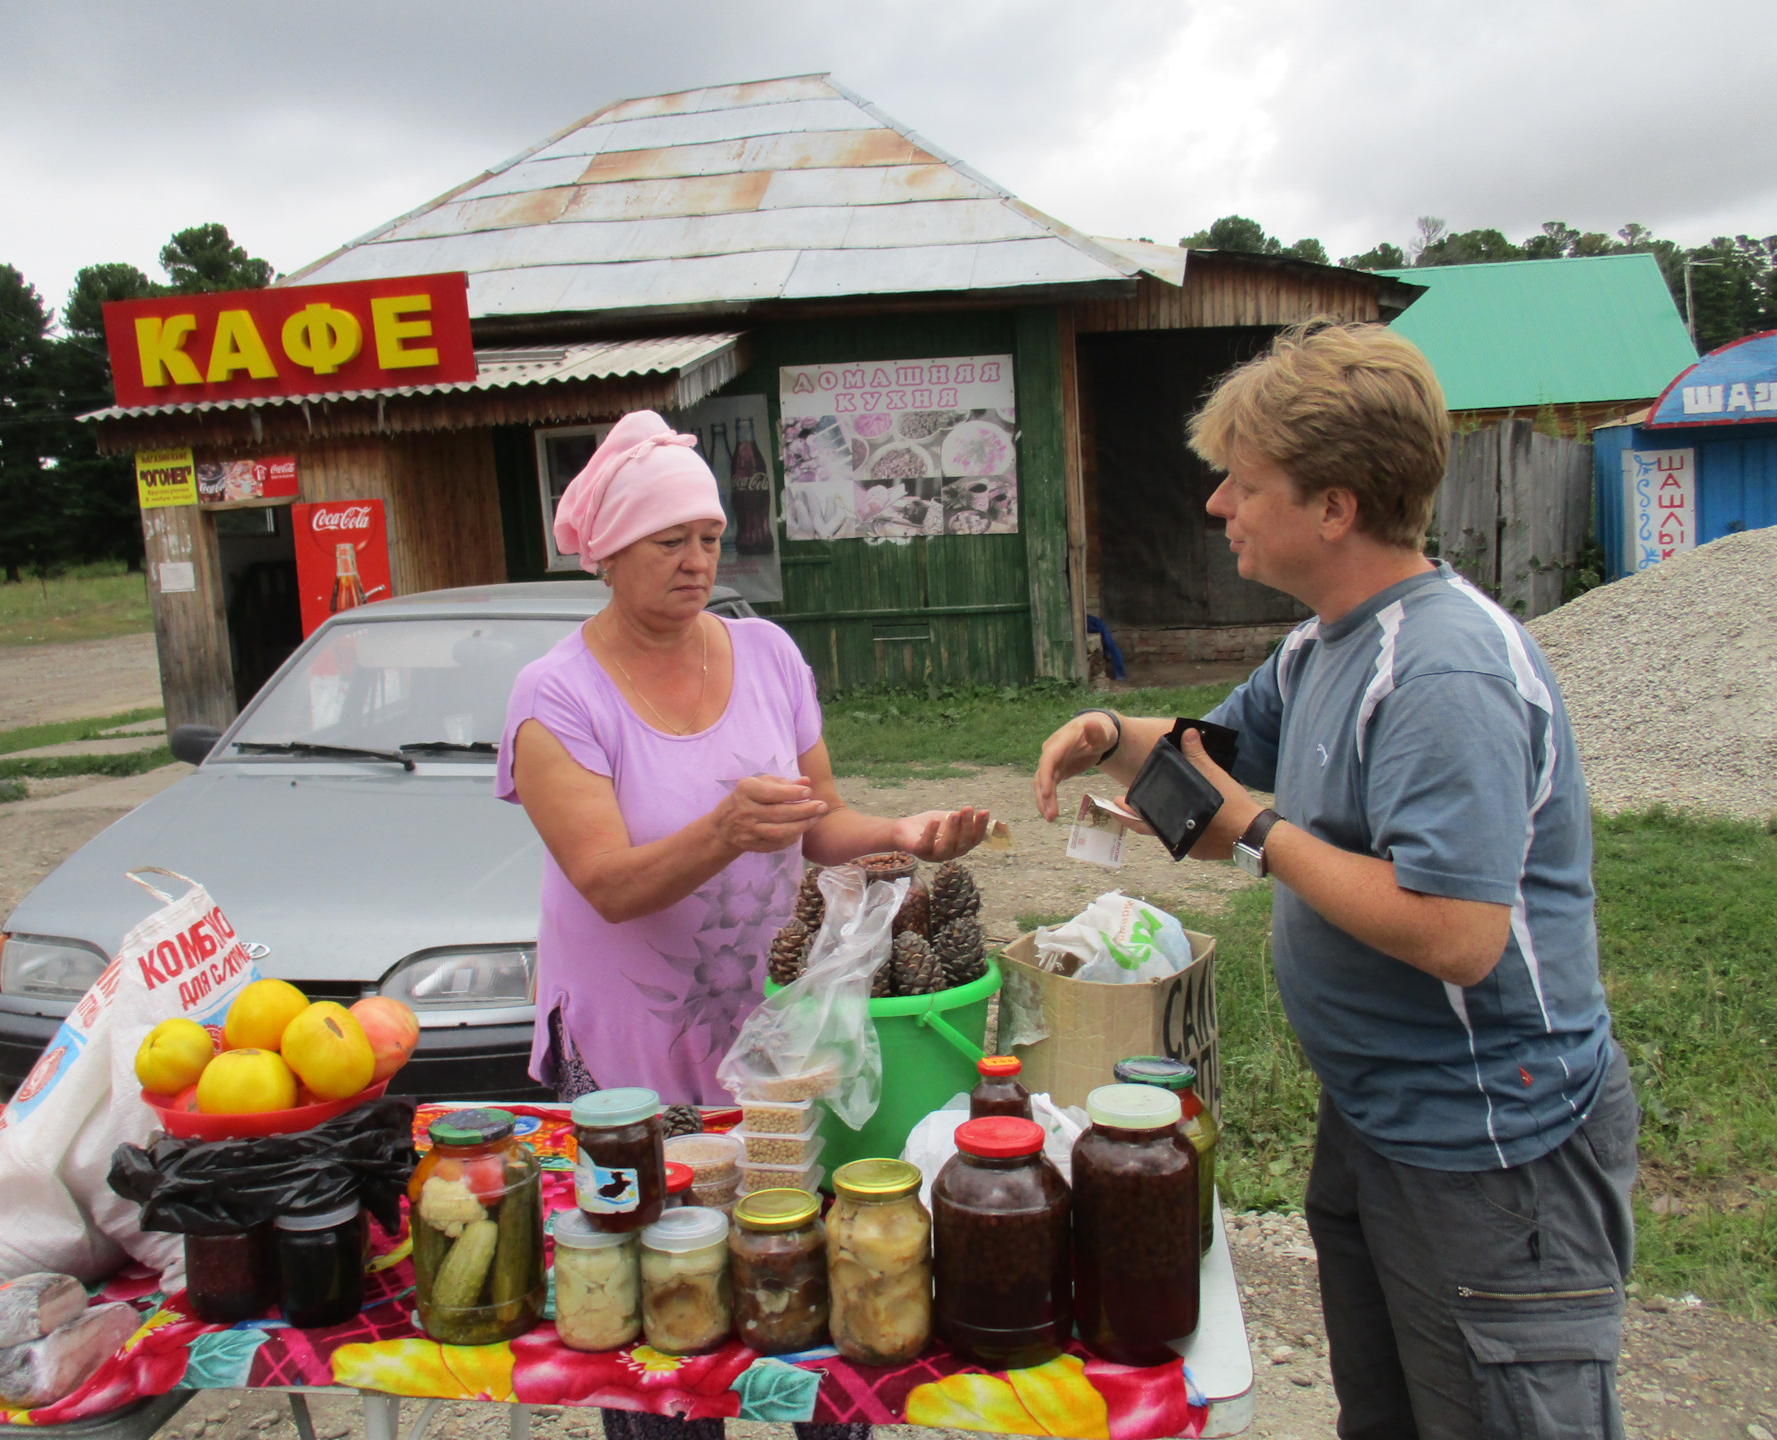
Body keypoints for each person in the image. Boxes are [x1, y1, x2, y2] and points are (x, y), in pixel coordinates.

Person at [1034, 322, 1637, 1440]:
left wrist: (1259, 833)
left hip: (1491, 1149)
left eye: (1246, 483)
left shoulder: (1442, 669)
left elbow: (1459, 935)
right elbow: (1224, 750)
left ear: (1336, 506)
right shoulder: (1329, 642)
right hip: (1381, 1122)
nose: (1219, 506)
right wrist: (1115, 730)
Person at [498, 409, 988, 1108]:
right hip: (635, 1026)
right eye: (669, 541)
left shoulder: (767, 653)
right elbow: (606, 886)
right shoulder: (557, 694)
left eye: (709, 537)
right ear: (608, 551)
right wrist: (723, 831)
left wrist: (898, 833)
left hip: (768, 1005)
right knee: (657, 1205)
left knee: (778, 1202)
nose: (696, 560)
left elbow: (819, 820)